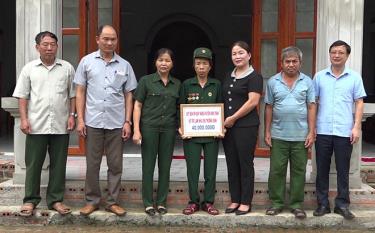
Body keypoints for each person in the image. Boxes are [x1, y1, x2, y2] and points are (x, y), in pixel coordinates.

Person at [74, 25, 137, 216]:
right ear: (97, 39)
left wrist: (127, 122)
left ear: (117, 41)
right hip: (93, 121)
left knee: (115, 165)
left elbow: (129, 95)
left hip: (116, 123)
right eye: (106, 39)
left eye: (113, 39)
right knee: (92, 164)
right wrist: (80, 120)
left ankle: (112, 202)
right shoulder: (86, 62)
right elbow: (80, 92)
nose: (109, 42)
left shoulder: (124, 65)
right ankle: (92, 201)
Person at [13, 31, 75, 217]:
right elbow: (23, 96)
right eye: (45, 44)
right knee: (33, 164)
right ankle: (30, 200)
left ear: (57, 46)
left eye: (53, 44)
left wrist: (72, 115)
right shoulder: (29, 69)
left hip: (61, 124)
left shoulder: (67, 68)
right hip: (36, 125)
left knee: (59, 164)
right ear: (37, 47)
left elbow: (72, 95)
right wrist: (23, 119)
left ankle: (55, 200)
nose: (49, 48)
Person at [313, 40, 366, 220]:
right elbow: (313, 103)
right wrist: (312, 127)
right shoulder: (319, 77)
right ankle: (322, 204)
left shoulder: (354, 77)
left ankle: (342, 205)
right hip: (322, 130)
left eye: (340, 52)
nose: (336, 55)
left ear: (347, 56)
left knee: (343, 170)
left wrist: (356, 126)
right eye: (333, 52)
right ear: (329, 54)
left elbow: (359, 102)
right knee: (322, 169)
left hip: (344, 131)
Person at [264, 46, 316, 219]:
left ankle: (296, 205)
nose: (291, 64)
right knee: (276, 170)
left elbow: (311, 106)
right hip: (278, 135)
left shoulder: (308, 82)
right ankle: (276, 203)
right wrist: (267, 131)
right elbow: (269, 107)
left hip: (301, 136)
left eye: (295, 61)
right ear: (281, 63)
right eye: (288, 61)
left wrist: (311, 131)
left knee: (298, 171)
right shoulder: (272, 82)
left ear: (300, 63)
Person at [133, 48, 180, 216]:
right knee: (148, 165)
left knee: (165, 166)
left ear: (172, 63)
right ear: (155, 62)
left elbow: (180, 108)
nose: (164, 63)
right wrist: (136, 130)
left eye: (167, 60)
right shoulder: (146, 81)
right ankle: (147, 203)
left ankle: (161, 202)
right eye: (161, 60)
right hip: (149, 128)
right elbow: (137, 105)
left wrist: (182, 126)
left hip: (168, 128)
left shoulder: (177, 84)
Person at [179, 47, 222, 216]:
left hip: (211, 136)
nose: (201, 67)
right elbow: (180, 108)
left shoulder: (216, 84)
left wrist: (221, 127)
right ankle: (193, 202)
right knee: (193, 171)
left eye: (204, 63)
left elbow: (221, 108)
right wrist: (182, 127)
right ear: (194, 66)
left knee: (210, 171)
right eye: (198, 63)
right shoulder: (187, 84)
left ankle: (209, 202)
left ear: (210, 66)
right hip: (191, 136)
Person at [222, 41, 263, 215]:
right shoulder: (229, 76)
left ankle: (246, 201)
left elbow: (253, 101)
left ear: (248, 55)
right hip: (228, 128)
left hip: (246, 126)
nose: (237, 57)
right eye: (234, 54)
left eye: (240, 53)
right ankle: (235, 199)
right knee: (232, 164)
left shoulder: (255, 77)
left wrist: (233, 118)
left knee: (245, 164)